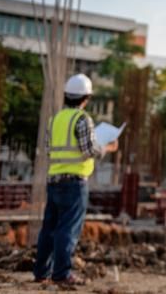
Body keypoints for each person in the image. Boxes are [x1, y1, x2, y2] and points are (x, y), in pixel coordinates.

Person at [33, 73, 118, 287]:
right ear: (86, 98)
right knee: (67, 229)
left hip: (54, 180)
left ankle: (41, 272)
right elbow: (88, 149)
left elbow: (48, 148)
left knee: (49, 227)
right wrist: (107, 147)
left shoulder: (55, 119)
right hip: (74, 182)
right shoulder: (82, 119)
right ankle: (61, 274)